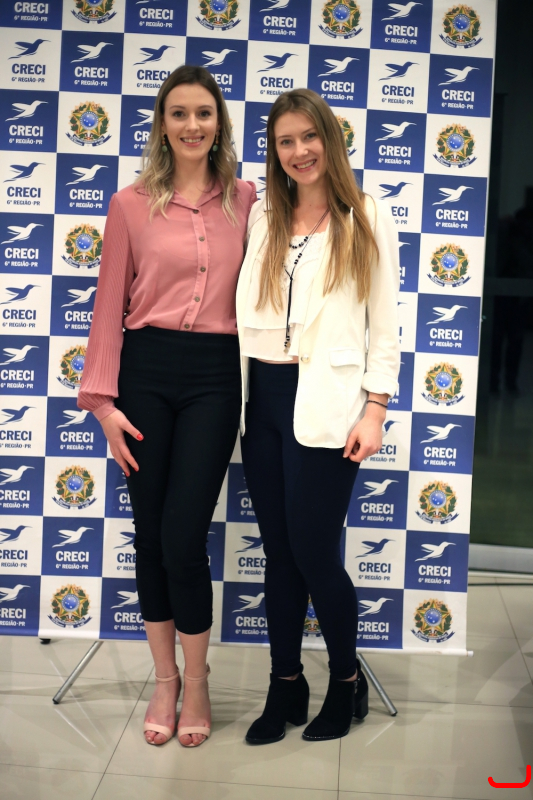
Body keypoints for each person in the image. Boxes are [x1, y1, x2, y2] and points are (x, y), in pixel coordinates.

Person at [78, 65, 256, 748]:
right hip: (145, 372)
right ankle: (165, 679)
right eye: (178, 113)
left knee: (184, 537)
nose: (191, 125)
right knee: (150, 535)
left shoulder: (247, 200)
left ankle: (199, 680)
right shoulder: (129, 205)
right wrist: (102, 404)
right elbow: (107, 307)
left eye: (203, 113)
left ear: (219, 123)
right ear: (161, 124)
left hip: (215, 373)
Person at [236, 88, 400, 744]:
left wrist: (376, 408)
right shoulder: (263, 215)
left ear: (330, 140)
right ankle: (285, 685)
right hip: (262, 402)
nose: (299, 151)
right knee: (279, 554)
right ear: (274, 151)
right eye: (286, 141)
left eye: (309, 137)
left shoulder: (365, 214)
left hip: (330, 404)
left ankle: (345, 681)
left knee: (313, 551)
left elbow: (383, 322)